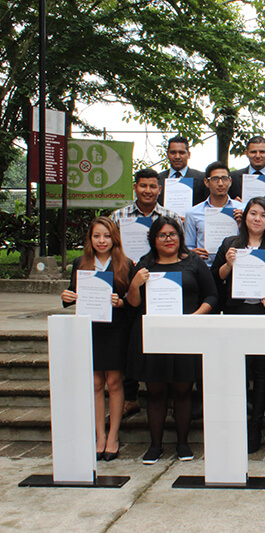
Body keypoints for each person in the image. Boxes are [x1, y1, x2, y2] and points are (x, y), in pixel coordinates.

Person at [126, 217, 218, 464]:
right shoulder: (144, 265)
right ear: (153, 240)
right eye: (162, 235)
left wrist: (194, 317)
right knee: (155, 391)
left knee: (183, 390)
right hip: (153, 334)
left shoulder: (193, 263)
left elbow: (211, 295)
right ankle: (155, 446)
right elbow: (133, 303)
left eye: (173, 234)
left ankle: (183, 444)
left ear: (180, 237)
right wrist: (135, 284)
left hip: (186, 334)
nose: (168, 239)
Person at [211, 197, 265, 453]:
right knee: (237, 370)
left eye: (263, 215)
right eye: (253, 213)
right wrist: (228, 265)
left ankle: (256, 425)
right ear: (245, 217)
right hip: (236, 312)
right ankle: (237, 423)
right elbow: (214, 279)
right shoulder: (230, 244)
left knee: (263, 369)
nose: (257, 219)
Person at [109, 168, 182, 420]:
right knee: (131, 336)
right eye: (143, 186)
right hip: (126, 279)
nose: (148, 191)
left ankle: (172, 395)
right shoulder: (118, 216)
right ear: (135, 187)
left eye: (153, 186)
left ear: (160, 189)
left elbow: (179, 249)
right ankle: (130, 396)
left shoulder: (171, 216)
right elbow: (110, 248)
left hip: (164, 283)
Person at [61, 217, 133, 462]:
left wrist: (120, 302)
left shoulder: (125, 263)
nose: (102, 241)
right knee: (94, 382)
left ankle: (113, 435)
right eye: (96, 236)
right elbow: (74, 295)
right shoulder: (82, 263)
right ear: (90, 239)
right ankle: (99, 435)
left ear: (114, 238)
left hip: (115, 329)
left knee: (114, 381)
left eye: (106, 236)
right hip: (90, 328)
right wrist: (67, 295)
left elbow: (134, 303)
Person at [184, 162, 244, 267]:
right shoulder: (193, 213)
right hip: (204, 268)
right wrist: (192, 253)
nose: (220, 183)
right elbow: (188, 246)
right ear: (206, 182)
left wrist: (243, 224)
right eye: (215, 179)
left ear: (230, 181)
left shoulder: (242, 209)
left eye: (224, 179)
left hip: (235, 266)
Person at [157, 135, 207, 206]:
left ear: (189, 155)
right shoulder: (158, 179)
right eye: (173, 152)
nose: (177, 157)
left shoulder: (202, 179)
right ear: (167, 154)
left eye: (181, 153)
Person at [229, 135, 265, 200]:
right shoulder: (233, 178)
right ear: (246, 153)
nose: (257, 156)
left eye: (262, 152)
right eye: (253, 152)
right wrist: (233, 203)